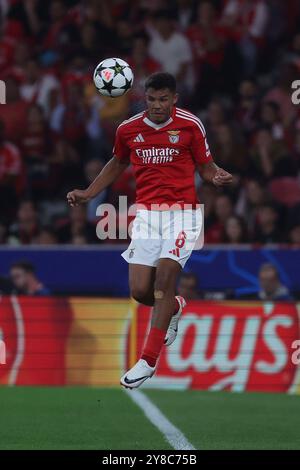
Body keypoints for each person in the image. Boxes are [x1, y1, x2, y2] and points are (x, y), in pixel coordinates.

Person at [67, 72, 233, 388]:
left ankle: (148, 360)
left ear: (174, 99)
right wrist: (89, 193)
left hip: (183, 215)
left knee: (165, 277)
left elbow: (206, 167)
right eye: (152, 99)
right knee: (141, 291)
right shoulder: (128, 130)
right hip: (146, 217)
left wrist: (216, 177)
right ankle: (174, 306)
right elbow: (117, 163)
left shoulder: (190, 125)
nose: (157, 105)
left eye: (163, 99)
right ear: (145, 99)